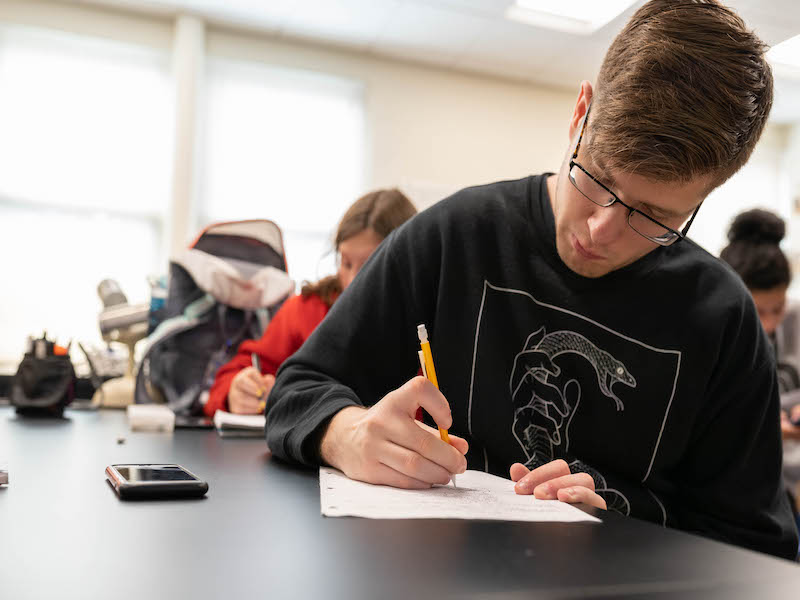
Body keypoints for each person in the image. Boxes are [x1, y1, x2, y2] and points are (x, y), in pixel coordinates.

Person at [266, 0, 798, 559]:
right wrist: (347, 433)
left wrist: (627, 521)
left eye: (654, 217)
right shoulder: (454, 238)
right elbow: (297, 392)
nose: (600, 229)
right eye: (595, 176)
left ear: (703, 198)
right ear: (580, 113)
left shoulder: (722, 320)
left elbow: (756, 546)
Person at [203, 188, 417, 417]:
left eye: (369, 265)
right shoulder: (305, 311)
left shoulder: (431, 320)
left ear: (405, 264)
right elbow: (236, 375)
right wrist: (235, 391)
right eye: (345, 263)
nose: (353, 281)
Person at [720, 208, 800, 538]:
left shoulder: (796, 318)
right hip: (741, 490)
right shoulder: (716, 329)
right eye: (757, 310)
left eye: (777, 308)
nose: (769, 323)